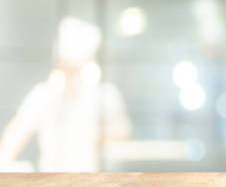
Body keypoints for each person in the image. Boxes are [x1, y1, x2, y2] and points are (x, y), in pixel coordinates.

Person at [0, 17, 131, 172]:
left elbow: (123, 135)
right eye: (66, 66)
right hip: (51, 183)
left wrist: (96, 133)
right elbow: (13, 138)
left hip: (92, 181)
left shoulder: (106, 95)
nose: (70, 73)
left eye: (76, 67)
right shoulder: (43, 95)